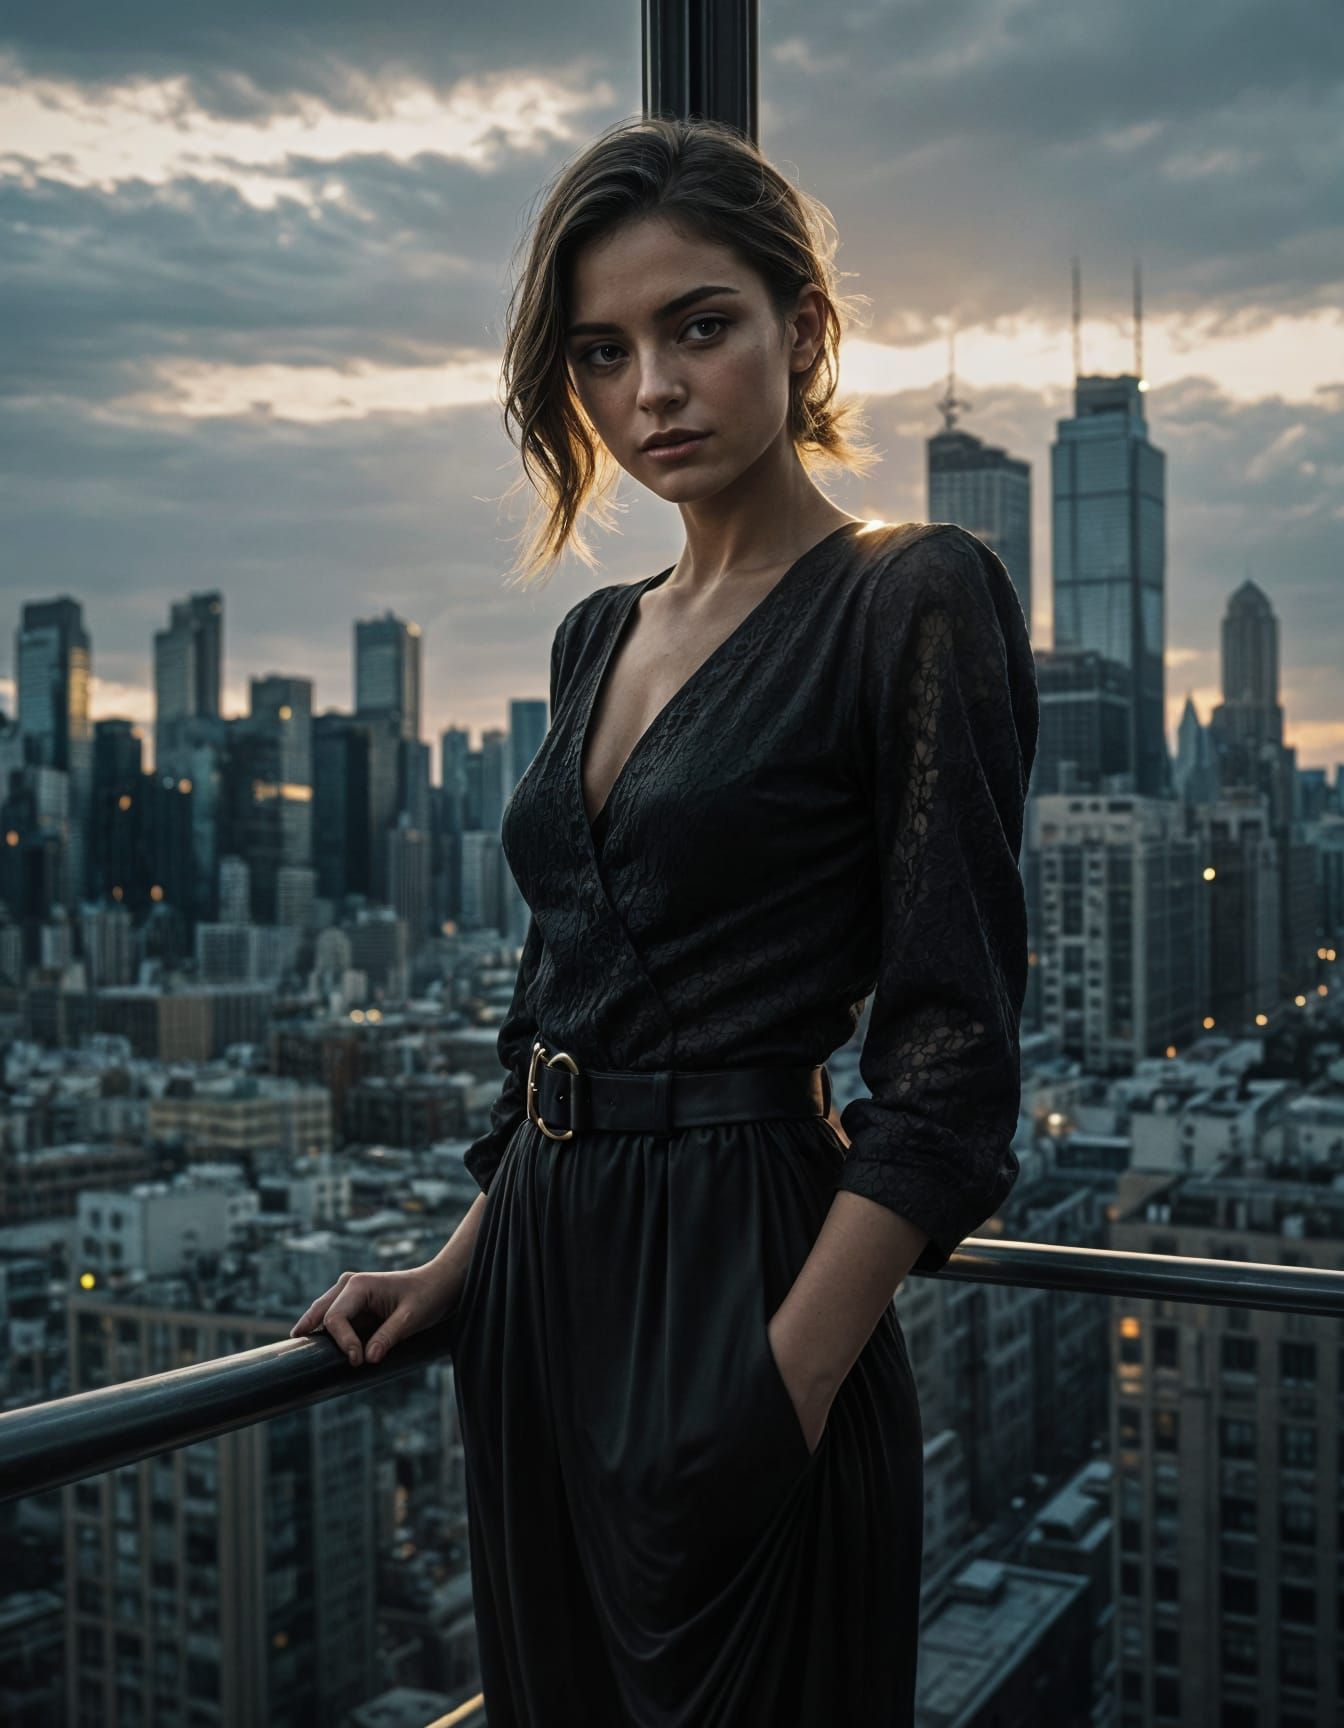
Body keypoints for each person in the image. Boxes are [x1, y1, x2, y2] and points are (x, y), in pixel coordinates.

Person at [291, 114, 1038, 1726]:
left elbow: (954, 1059)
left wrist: (782, 1390)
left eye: (700, 327)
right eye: (602, 352)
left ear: (803, 329)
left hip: (749, 1274)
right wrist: (454, 1270)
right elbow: (569, 1016)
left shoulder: (913, 596)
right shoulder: (595, 636)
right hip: (538, 1293)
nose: (652, 391)